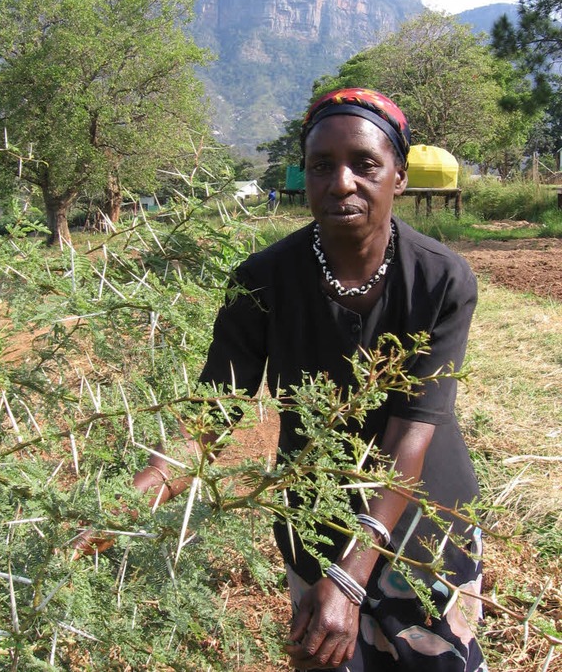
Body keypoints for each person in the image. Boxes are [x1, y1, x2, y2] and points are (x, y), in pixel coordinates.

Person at [131, 88, 486, 671]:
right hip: (315, 513)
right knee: (321, 660)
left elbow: (409, 439)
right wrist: (135, 495)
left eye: (365, 164)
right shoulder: (263, 279)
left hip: (424, 520)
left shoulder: (441, 281)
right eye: (322, 165)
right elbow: (214, 412)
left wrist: (351, 580)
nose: (341, 181)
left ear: (398, 176)